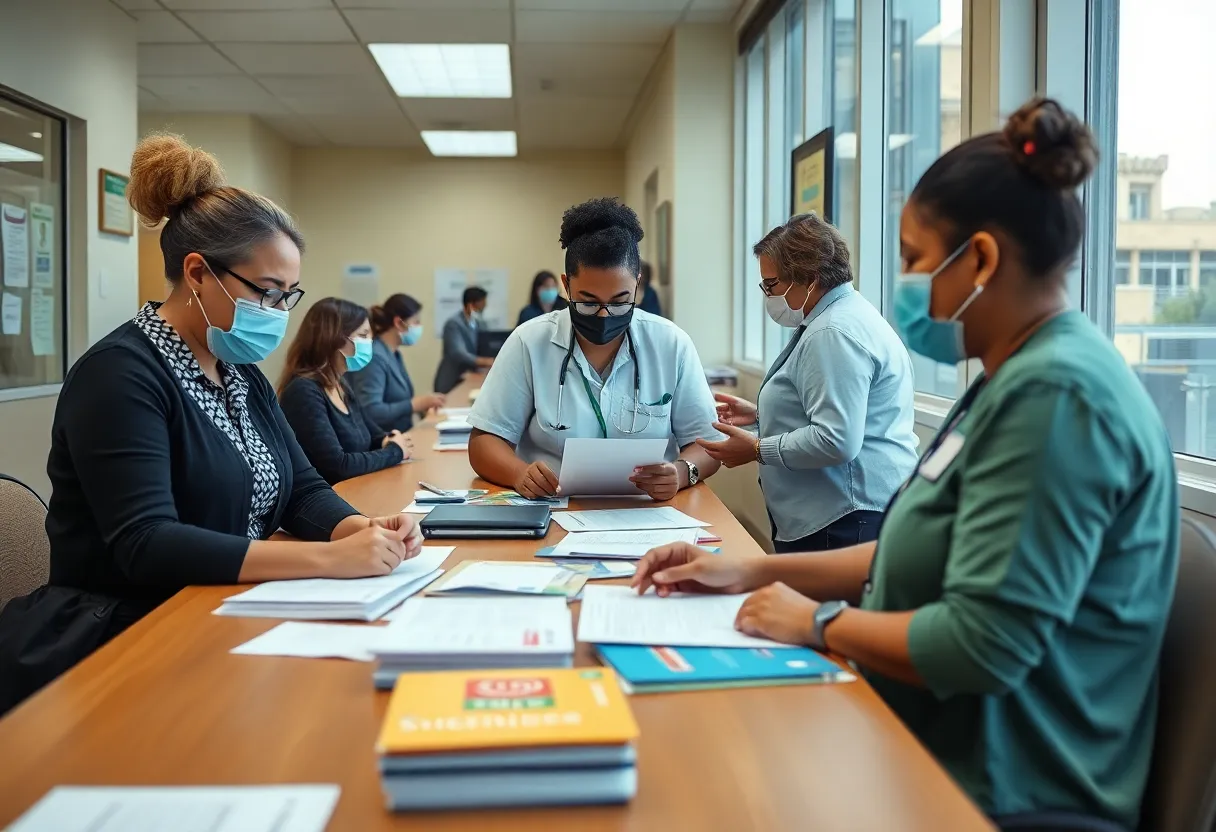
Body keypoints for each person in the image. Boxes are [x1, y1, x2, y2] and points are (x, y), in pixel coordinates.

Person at [632, 99, 1178, 832]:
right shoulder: (1012, 378)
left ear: (980, 259)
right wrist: (754, 570)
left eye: (917, 259)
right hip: (936, 744)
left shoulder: (1057, 396)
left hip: (1004, 791)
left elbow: (983, 646)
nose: (907, 283)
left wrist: (817, 623)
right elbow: (911, 548)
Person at [0, 134, 422, 715]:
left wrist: (359, 527)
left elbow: (299, 488)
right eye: (266, 293)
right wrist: (326, 560)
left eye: (287, 296)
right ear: (198, 273)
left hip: (216, 611)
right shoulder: (120, 376)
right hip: (125, 636)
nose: (276, 313)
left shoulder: (240, 372)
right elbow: (147, 544)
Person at [467, 197, 721, 500]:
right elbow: (484, 441)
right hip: (554, 507)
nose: (603, 315)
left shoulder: (671, 344)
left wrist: (682, 471)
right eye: (588, 302)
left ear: (637, 285)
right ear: (566, 285)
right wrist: (519, 474)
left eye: (619, 302)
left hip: (648, 513)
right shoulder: (529, 342)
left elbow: (708, 444)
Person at [701, 214, 918, 551]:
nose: (768, 295)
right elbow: (835, 409)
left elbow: (836, 440)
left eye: (771, 284)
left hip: (844, 519)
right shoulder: (844, 315)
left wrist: (757, 448)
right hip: (845, 513)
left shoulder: (833, 333)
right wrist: (763, 415)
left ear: (809, 277)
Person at [278, 298, 414, 485]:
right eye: (364, 335)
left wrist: (389, 440)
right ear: (334, 338)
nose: (370, 343)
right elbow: (337, 466)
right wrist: (395, 451)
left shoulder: (339, 384)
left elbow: (374, 435)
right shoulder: (304, 392)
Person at [349, 293, 445, 434]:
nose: (419, 327)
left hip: (401, 438)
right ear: (399, 323)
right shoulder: (374, 357)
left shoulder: (394, 354)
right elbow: (371, 412)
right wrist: (414, 405)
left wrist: (424, 406)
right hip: (381, 443)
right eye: (416, 322)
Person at [434, 286, 493, 394]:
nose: (483, 310)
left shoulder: (479, 323)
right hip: (452, 380)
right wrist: (485, 361)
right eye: (481, 308)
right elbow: (458, 353)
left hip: (472, 378)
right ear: (471, 305)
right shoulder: (454, 324)